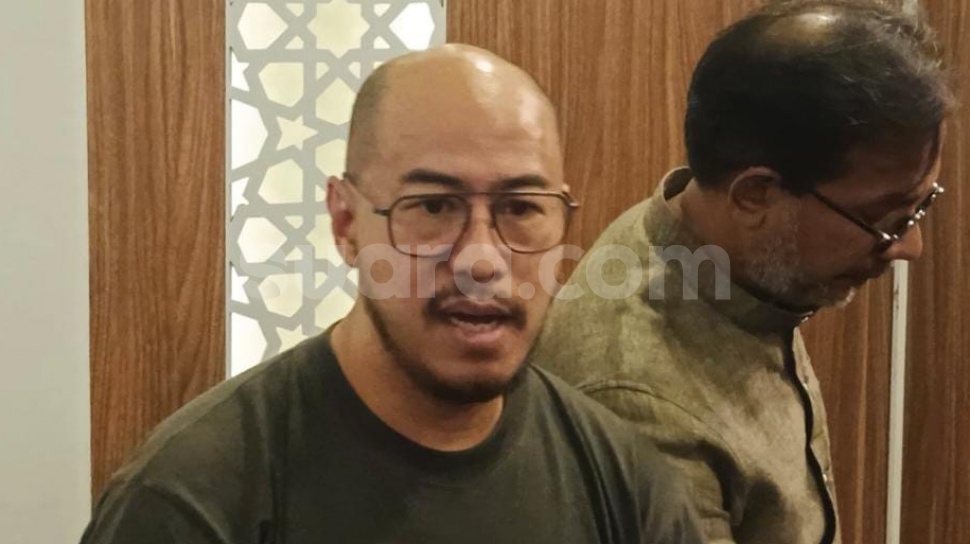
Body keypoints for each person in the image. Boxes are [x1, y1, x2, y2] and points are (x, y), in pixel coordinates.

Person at [80, 44, 703, 544]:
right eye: (431, 207)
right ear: (345, 223)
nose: (482, 260)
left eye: (521, 208)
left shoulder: (628, 488)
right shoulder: (192, 499)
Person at [533, 2, 952, 543]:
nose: (910, 247)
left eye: (921, 207)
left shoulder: (727, 254)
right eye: (884, 219)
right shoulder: (638, 403)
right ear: (756, 195)